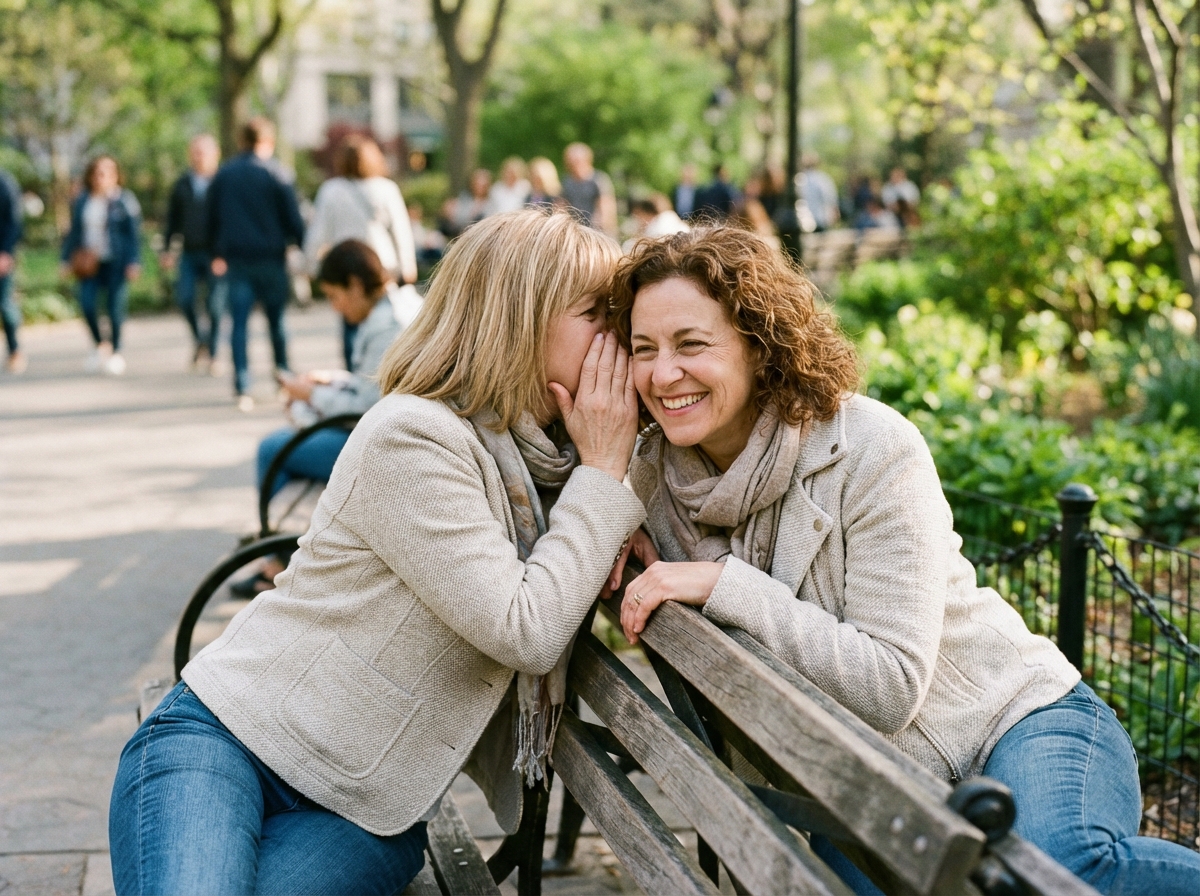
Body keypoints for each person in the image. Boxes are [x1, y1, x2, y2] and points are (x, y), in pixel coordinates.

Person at [607, 226, 1200, 895]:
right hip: (870, 792)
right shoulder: (656, 480)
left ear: (757, 342)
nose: (663, 374)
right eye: (643, 349)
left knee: (1056, 873)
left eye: (692, 344)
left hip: (1017, 721)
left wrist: (725, 583)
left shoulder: (869, 447)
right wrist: (607, 516)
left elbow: (889, 686)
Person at [108, 208, 644, 896]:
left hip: (364, 810)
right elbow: (527, 628)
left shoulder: (555, 465)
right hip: (225, 746)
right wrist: (603, 473)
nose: (619, 335)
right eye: (599, 312)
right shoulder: (413, 436)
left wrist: (612, 481)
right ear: (520, 317)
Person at [232, 239, 423, 598]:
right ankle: (280, 548)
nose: (336, 307)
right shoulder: (398, 305)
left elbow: (367, 409)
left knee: (272, 450)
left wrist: (310, 397)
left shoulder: (386, 326)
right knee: (286, 441)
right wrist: (331, 379)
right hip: (394, 429)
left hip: (381, 445)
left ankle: (277, 560)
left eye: (335, 296)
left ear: (354, 284)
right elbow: (376, 387)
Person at [207, 117, 306, 410]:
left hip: (238, 259)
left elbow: (211, 217)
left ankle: (242, 385)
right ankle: (284, 379)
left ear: (241, 140)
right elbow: (293, 217)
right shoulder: (278, 173)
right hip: (271, 258)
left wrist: (217, 252)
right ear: (268, 141)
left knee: (238, 324)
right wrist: (298, 244)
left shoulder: (225, 175)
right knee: (277, 323)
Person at [304, 134, 418, 370]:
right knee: (386, 325)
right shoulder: (386, 189)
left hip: (345, 269)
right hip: (381, 270)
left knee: (351, 327)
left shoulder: (331, 190)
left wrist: (313, 267)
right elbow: (401, 231)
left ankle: (355, 377)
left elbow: (317, 235)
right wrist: (408, 267)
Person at [60, 155, 142, 375]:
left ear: (115, 176)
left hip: (116, 262)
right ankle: (99, 344)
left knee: (115, 309)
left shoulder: (124, 201)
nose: (100, 178)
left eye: (105, 173)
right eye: (96, 173)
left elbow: (133, 235)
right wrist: (65, 259)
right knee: (87, 304)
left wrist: (134, 261)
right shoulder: (82, 201)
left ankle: (116, 351)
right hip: (90, 264)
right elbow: (74, 232)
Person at [162, 134, 223, 372]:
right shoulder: (182, 184)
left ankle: (214, 352)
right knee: (185, 298)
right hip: (189, 252)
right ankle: (201, 341)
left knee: (216, 305)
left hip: (215, 254)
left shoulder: (223, 182)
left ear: (215, 154)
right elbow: (172, 220)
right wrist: (168, 250)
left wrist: (224, 254)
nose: (199, 156)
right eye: (195, 152)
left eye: (204, 152)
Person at [560, 142, 617, 238]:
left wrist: (596, 231)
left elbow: (606, 208)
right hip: (574, 231)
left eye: (576, 161)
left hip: (596, 231)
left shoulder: (599, 179)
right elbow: (561, 206)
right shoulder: (567, 182)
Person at [0, 164, 24, 374]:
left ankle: (14, 349)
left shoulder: (5, 182)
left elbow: (14, 222)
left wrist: (6, 253)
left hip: (1, 256)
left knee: (5, 305)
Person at [623, 195, 687, 253]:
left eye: (638, 214)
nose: (638, 219)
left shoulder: (661, 226)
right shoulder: (671, 219)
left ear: (647, 213)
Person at [799, 152, 839, 232]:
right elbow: (831, 201)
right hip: (821, 220)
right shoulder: (823, 179)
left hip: (804, 222)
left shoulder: (799, 179)